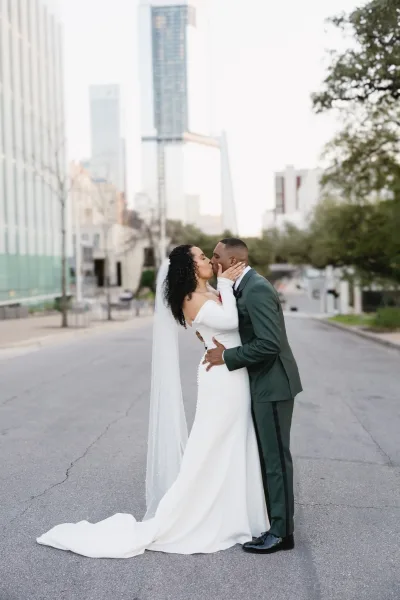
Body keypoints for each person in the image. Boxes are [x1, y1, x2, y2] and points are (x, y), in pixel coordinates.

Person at [36, 245, 268, 558]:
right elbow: (228, 322)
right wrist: (227, 283)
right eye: (201, 257)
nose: (207, 261)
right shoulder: (191, 298)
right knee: (212, 444)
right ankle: (191, 514)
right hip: (221, 377)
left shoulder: (210, 290)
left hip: (232, 371)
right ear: (188, 268)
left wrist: (225, 287)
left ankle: (237, 511)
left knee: (234, 441)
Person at [204, 238, 303, 554]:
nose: (212, 258)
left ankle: (282, 534)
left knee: (275, 459)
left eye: (216, 255)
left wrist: (229, 356)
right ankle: (274, 525)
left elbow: (270, 344)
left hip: (273, 384)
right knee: (266, 456)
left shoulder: (257, 288)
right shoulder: (241, 286)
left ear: (232, 259)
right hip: (261, 383)